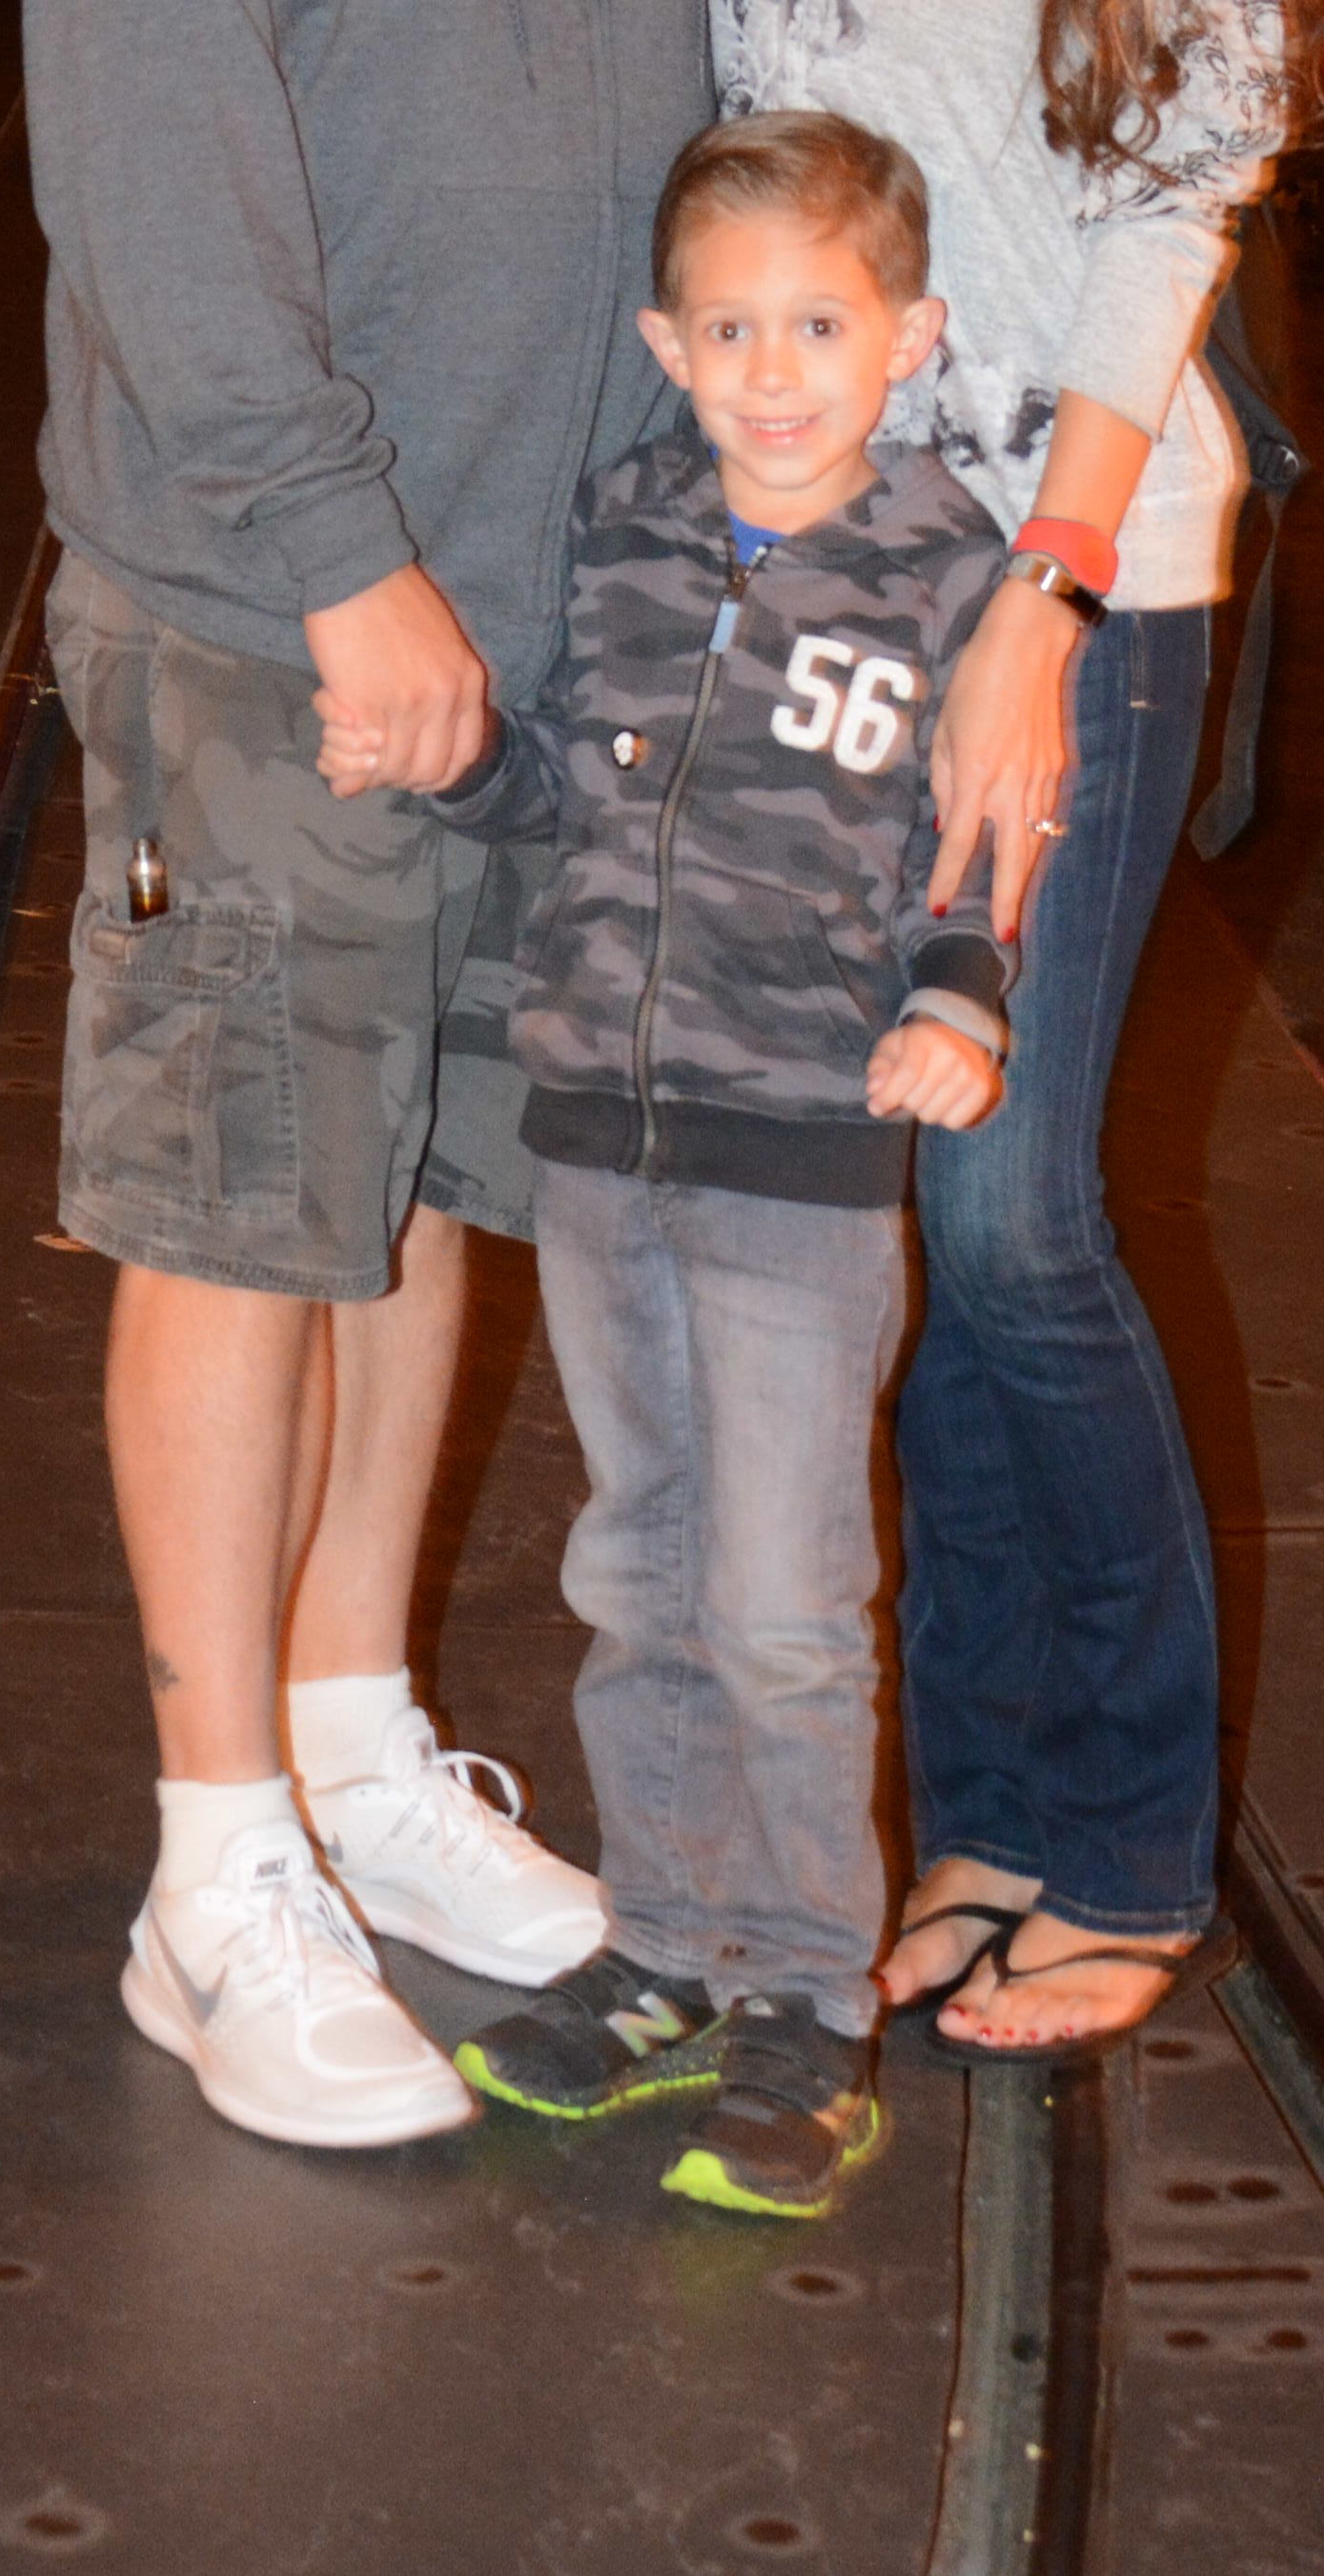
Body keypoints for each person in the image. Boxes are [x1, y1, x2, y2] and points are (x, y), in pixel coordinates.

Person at [0, 0, 789, 2153]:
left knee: (428, 1177)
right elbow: (150, 158)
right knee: (243, 1196)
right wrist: (341, 559)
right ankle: (211, 1867)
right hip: (276, 592)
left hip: (569, 602)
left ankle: (352, 1743)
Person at [704, 0, 1324, 2058]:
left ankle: (1126, 1831)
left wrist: (1045, 592)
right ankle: (980, 1795)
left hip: (1067, 563)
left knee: (1017, 1199)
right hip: (825, 553)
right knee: (910, 1194)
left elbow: (1178, 190)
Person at [405, 111, 1009, 2223]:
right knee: (636, 1570)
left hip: (798, 1163)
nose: (772, 371)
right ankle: (659, 1944)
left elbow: (975, 831)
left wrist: (960, 999)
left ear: (910, 336)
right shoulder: (626, 529)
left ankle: (803, 2002)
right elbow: (570, 795)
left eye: (819, 326)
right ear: (665, 344)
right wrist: (462, 761)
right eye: (729, 329)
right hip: (600, 1134)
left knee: (781, 1608)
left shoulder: (942, 572)